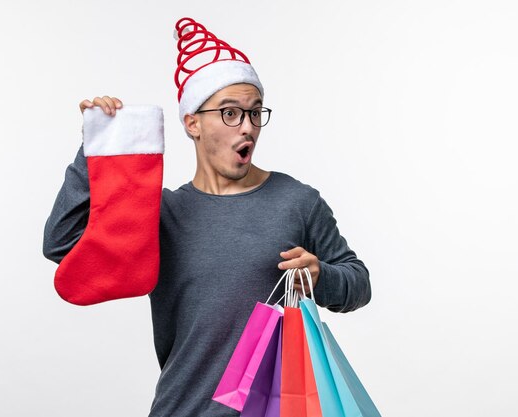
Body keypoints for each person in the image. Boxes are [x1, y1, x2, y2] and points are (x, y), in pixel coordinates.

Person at [43, 17, 371, 417]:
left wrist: (322, 274)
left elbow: (359, 283)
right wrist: (94, 146)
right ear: (193, 123)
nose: (247, 127)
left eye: (254, 113)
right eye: (230, 113)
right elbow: (62, 245)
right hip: (183, 408)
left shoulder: (297, 201)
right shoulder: (160, 215)